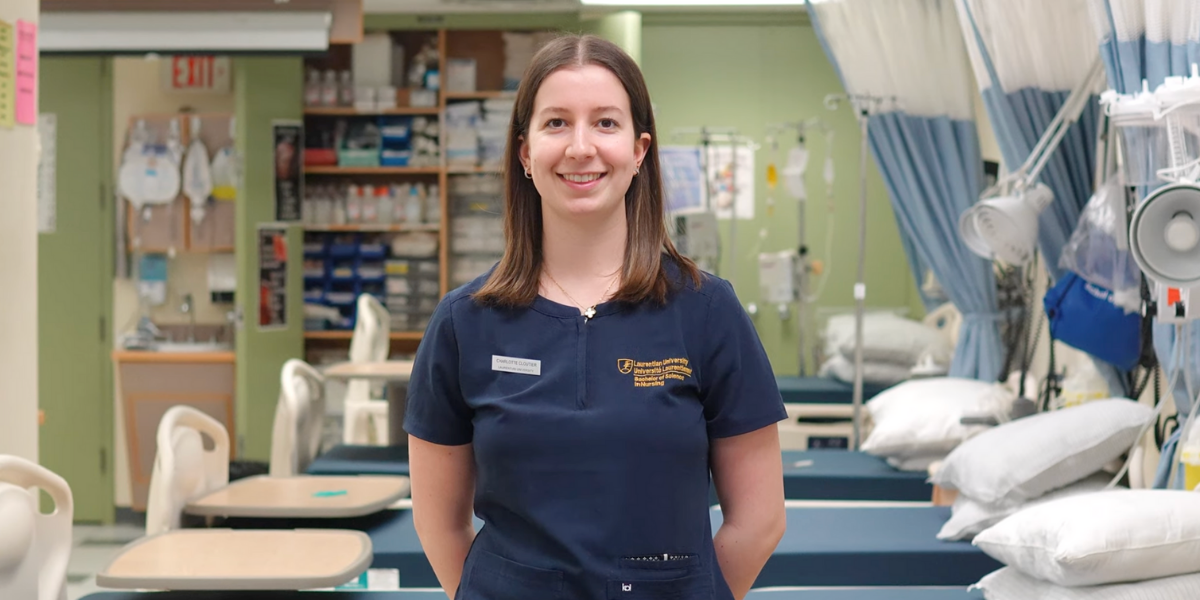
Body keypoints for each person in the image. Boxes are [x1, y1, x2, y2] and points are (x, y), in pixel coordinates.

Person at [405, 34, 787, 600]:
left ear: (639, 150)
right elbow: (438, 525)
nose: (581, 147)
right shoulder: (465, 323)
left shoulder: (707, 311)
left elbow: (760, 521)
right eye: (556, 123)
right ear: (525, 153)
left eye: (605, 123)